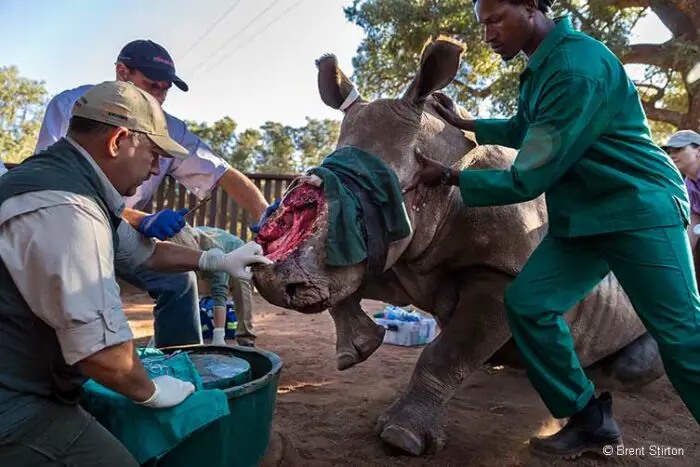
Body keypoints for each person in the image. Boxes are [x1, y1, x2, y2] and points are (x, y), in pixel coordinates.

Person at [404, 0, 700, 459]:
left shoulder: (574, 67)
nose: (489, 34)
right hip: (585, 217)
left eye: (497, 20)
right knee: (529, 304)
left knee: (683, 337)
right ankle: (588, 420)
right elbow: (527, 127)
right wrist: (467, 123)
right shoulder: (542, 66)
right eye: (483, 25)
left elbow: (528, 179)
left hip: (640, 211)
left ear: (531, 7)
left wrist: (449, 176)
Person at [0, 80, 272, 466]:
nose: (156, 169)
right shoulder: (68, 210)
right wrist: (150, 391)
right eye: (154, 153)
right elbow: (102, 352)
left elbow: (142, 252)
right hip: (15, 404)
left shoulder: (63, 179)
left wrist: (214, 262)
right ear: (118, 141)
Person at [33, 39, 270, 349]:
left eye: (164, 90)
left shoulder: (169, 127)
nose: (158, 97)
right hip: (68, 227)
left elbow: (221, 172)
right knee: (88, 303)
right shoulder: (72, 108)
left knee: (178, 279)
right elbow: (56, 189)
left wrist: (266, 219)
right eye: (152, 86)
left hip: (120, 228)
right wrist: (140, 218)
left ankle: (179, 360)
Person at [171, 224, 258, 347]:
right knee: (189, 288)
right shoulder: (178, 248)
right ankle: (190, 333)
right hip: (203, 257)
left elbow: (219, 292)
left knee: (240, 287)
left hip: (236, 254)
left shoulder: (213, 252)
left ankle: (246, 337)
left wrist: (219, 336)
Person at [662, 130, 700, 259]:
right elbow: (694, 219)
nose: (672, 155)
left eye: (679, 149)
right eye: (670, 151)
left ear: (698, 151)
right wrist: (679, 258)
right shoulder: (689, 184)